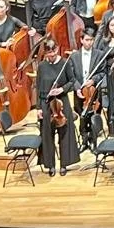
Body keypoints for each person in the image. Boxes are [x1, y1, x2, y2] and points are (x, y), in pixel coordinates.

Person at [35, 38, 79, 177]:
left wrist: (61, 89)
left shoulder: (65, 63)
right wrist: (38, 107)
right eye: (49, 53)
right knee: (47, 134)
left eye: (53, 52)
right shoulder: (42, 66)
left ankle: (64, 164)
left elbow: (72, 81)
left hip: (61, 102)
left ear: (57, 49)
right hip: (46, 103)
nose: (52, 55)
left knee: (64, 133)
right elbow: (38, 86)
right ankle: (50, 165)